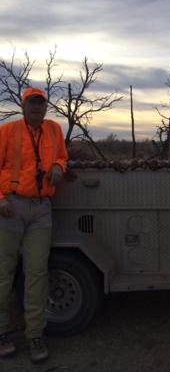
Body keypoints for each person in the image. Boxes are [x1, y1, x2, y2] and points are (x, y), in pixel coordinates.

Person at [0, 87, 67, 362]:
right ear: (23, 105)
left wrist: (59, 168)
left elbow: (62, 157)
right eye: (32, 104)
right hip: (11, 209)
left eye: (41, 104)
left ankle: (35, 335)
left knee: (37, 272)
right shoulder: (7, 131)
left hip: (41, 209)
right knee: (4, 273)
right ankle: (1, 333)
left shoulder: (53, 130)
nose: (37, 108)